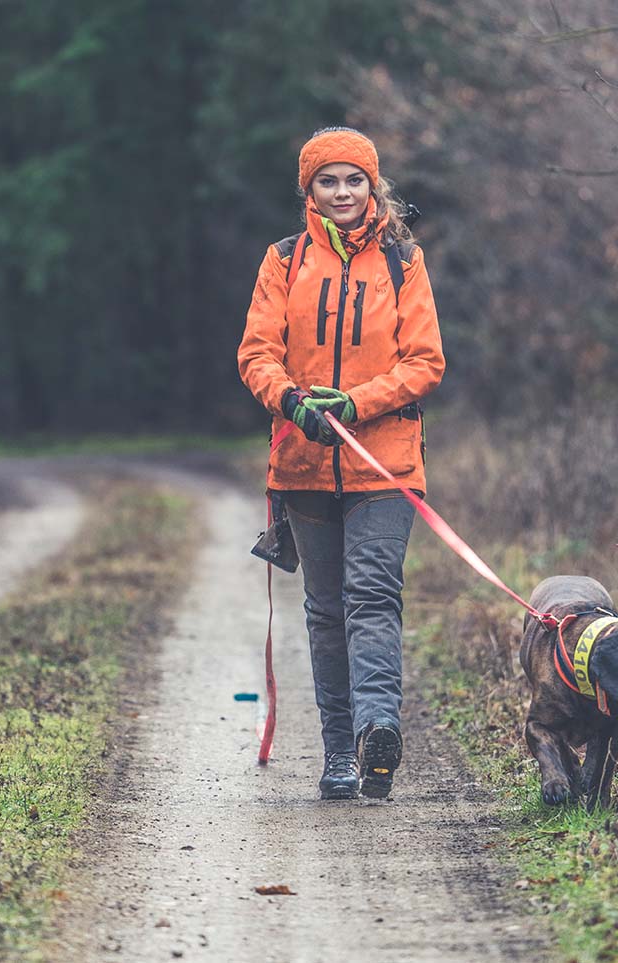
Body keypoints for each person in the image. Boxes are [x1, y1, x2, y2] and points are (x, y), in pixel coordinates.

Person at [238, 127, 445, 800]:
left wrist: (354, 403)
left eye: (353, 179)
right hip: (301, 465)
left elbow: (425, 362)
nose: (342, 192)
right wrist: (291, 399)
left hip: (383, 466)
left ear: (371, 185)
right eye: (327, 181)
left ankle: (377, 728)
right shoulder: (283, 260)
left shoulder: (402, 261)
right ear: (309, 191)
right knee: (326, 611)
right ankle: (340, 755)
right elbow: (256, 353)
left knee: (373, 598)